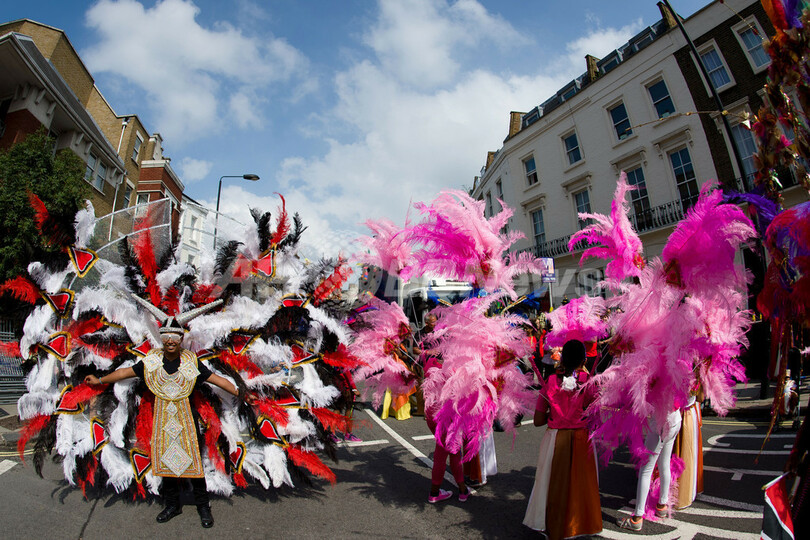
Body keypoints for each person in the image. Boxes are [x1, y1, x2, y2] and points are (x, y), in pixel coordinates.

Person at [85, 316, 244, 529]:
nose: (170, 341)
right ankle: (172, 505)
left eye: (174, 337)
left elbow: (217, 380)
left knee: (195, 469)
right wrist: (101, 380)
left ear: (180, 340)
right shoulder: (151, 362)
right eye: (166, 337)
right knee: (167, 467)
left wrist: (240, 392)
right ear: (162, 339)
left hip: (187, 423)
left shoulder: (191, 362)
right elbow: (125, 373)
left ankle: (203, 507)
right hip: (162, 423)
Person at [523, 339, 602, 539]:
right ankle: (576, 526)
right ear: (584, 359)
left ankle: (552, 526)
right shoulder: (588, 381)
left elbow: (538, 421)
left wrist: (554, 412)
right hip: (581, 438)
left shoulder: (549, 382)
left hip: (554, 439)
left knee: (552, 484)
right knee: (579, 486)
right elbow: (596, 416)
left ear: (562, 358)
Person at [618, 407, 682, 531]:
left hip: (661, 424)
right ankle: (662, 505)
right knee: (664, 463)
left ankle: (637, 518)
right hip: (675, 419)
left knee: (646, 470)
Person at [424, 354, 469, 503]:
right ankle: (436, 492)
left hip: (432, 414)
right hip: (448, 416)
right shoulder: (457, 367)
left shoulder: (430, 362)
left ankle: (460, 490)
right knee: (447, 453)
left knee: (449, 451)